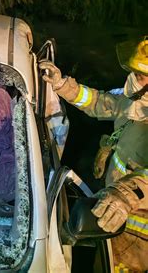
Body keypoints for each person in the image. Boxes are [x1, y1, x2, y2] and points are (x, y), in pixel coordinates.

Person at [39, 37, 148, 272]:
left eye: (140, 74)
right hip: (112, 214)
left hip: (138, 238)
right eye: (133, 71)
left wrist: (125, 194)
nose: (133, 79)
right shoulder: (137, 101)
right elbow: (100, 102)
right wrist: (62, 85)